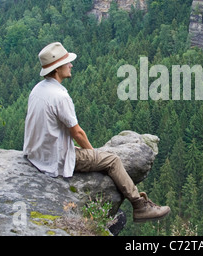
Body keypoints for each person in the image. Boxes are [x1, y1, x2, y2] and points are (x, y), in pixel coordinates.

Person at [23, 42, 170, 223]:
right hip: (55, 159)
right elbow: (77, 132)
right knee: (112, 160)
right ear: (57, 68)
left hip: (36, 153)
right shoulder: (60, 96)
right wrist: (93, 154)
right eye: (67, 62)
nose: (71, 65)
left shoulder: (38, 89)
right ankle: (139, 206)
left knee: (91, 153)